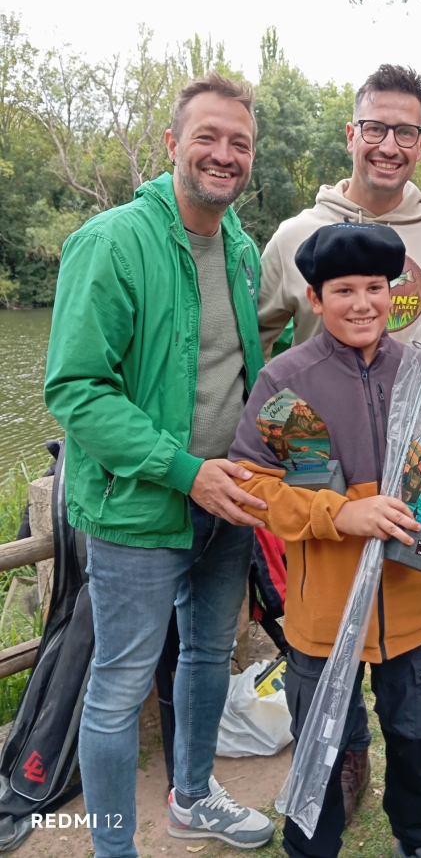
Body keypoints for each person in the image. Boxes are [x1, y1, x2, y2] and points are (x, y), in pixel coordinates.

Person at [228, 222, 421, 858]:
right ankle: (314, 848)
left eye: (374, 287)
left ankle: (418, 841)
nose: (361, 303)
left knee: (418, 738)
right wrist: (343, 514)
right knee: (322, 746)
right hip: (324, 616)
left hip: (414, 607)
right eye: (343, 290)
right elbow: (258, 489)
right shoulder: (288, 382)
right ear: (314, 298)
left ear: (393, 293)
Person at [44, 73, 275, 857]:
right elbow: (75, 391)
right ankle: (114, 848)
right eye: (207, 137)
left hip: (227, 504)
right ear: (173, 144)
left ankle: (194, 795)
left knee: (209, 655)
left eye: (238, 142)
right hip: (139, 509)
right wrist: (185, 471)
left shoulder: (241, 247)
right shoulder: (111, 241)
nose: (223, 153)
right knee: (118, 683)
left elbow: (239, 371)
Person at [258, 63, 421, 829]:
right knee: (329, 643)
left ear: (420, 141)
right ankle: (345, 749)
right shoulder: (296, 236)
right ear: (352, 134)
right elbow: (256, 344)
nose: (390, 144)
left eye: (406, 131)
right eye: (376, 128)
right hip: (325, 474)